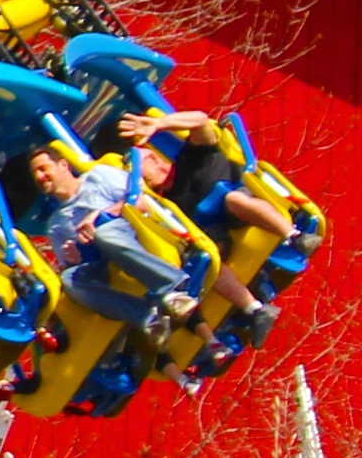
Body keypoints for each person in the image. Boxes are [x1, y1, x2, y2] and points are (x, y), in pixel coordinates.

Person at [121, 111, 289, 344]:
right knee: (209, 260)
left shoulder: (191, 155)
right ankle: (255, 310)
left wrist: (159, 124)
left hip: (239, 198)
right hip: (217, 232)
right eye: (144, 166)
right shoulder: (166, 205)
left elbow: (201, 120)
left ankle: (293, 236)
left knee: (234, 200)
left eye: (152, 158)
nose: (156, 164)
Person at [20, 146, 203, 338]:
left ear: (63, 165)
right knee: (69, 278)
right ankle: (149, 318)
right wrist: (72, 259)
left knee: (104, 232)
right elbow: (69, 265)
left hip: (133, 231)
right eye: (35, 174)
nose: (40, 177)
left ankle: (172, 289)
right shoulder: (56, 223)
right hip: (102, 260)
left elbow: (140, 202)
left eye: (43, 168)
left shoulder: (99, 177)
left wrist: (100, 214)